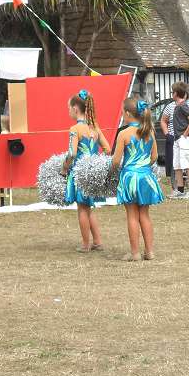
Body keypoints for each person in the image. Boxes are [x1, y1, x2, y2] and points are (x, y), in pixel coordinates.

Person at [112, 98, 163, 261]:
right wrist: (143, 167)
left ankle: (134, 253)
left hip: (130, 177)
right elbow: (154, 156)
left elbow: (116, 160)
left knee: (132, 215)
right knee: (145, 215)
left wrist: (112, 171)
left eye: (122, 112)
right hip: (146, 176)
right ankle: (150, 252)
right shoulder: (150, 132)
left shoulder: (123, 134)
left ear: (127, 114)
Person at [63, 89, 110, 253]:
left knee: (82, 208)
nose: (68, 111)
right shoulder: (95, 127)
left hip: (80, 172)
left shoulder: (75, 129)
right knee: (89, 207)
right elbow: (108, 148)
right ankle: (97, 241)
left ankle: (85, 244)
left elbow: (72, 153)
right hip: (92, 172)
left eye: (69, 108)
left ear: (76, 109)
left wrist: (65, 167)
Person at [170, 81, 189, 199]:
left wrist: (185, 135)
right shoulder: (178, 106)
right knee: (177, 165)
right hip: (178, 139)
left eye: (173, 92)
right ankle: (180, 190)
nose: (172, 94)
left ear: (176, 93)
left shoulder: (182, 106)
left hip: (184, 139)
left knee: (187, 164)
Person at [160, 96, 176, 193]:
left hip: (183, 138)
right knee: (171, 161)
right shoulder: (170, 106)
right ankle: (172, 181)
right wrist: (167, 134)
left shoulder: (186, 106)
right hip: (172, 137)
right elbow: (163, 120)